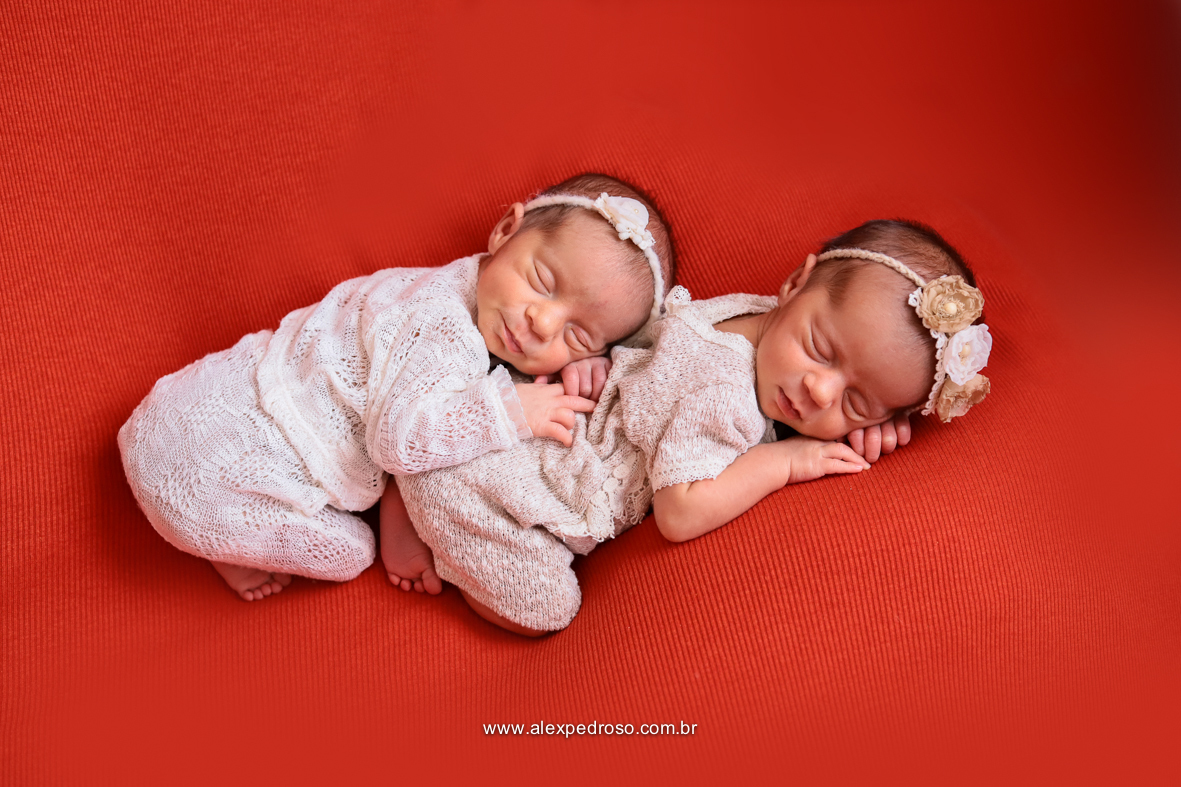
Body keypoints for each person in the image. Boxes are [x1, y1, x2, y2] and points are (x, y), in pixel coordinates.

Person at [382, 219, 992, 635]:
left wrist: (866, 424)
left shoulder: (752, 316)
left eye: (858, 402)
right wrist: (786, 461)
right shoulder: (723, 396)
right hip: (515, 486)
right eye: (820, 348)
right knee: (544, 611)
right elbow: (678, 510)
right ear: (796, 284)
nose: (818, 390)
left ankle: (413, 488)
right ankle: (417, 493)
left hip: (527, 440)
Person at [118, 173, 676, 600]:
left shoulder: (457, 289)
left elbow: (473, 379)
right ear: (507, 229)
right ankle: (231, 546)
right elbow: (399, 441)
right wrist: (511, 411)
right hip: (216, 474)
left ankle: (322, 515)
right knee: (351, 553)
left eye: (578, 335)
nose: (542, 324)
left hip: (185, 403)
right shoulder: (438, 325)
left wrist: (587, 366)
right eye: (542, 282)